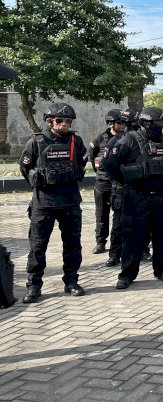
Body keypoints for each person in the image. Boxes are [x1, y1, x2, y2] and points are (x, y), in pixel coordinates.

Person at [19, 103, 88, 303]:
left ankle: (71, 281)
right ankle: (34, 286)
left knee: (73, 245)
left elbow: (82, 162)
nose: (65, 124)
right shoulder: (37, 142)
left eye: (68, 121)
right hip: (44, 203)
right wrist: (36, 179)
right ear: (49, 121)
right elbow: (25, 167)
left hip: (70, 202)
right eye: (60, 121)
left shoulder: (76, 141)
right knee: (38, 247)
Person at [104, 107, 163, 290]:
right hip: (136, 196)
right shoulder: (129, 140)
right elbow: (110, 166)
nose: (160, 127)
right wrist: (130, 181)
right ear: (144, 123)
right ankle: (127, 274)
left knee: (161, 234)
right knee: (132, 236)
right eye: (156, 124)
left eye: (162, 124)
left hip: (160, 195)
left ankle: (162, 270)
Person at [101, 107, 141, 267]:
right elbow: (107, 166)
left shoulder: (143, 139)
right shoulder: (116, 141)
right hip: (121, 188)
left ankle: (142, 249)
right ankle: (114, 254)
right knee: (118, 224)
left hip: (140, 188)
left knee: (141, 222)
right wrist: (122, 180)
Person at [88, 109, 124, 254]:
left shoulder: (127, 138)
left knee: (120, 215)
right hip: (103, 183)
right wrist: (102, 173)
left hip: (120, 182)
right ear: (111, 123)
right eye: (119, 123)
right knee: (101, 213)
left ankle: (119, 244)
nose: (123, 125)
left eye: (124, 123)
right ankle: (101, 242)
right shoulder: (100, 139)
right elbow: (92, 158)